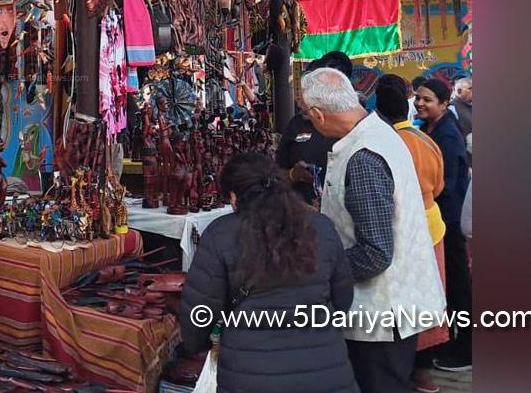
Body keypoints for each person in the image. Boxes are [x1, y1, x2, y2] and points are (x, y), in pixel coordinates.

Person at [301, 68, 445, 392]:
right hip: (387, 307)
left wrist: (314, 270)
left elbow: (376, 252)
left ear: (317, 114)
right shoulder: (375, 133)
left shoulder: (364, 156)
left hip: (382, 310)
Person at [179, 153, 357, 392]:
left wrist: (197, 345)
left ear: (234, 196)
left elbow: (199, 314)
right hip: (327, 372)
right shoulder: (321, 227)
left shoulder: (220, 234)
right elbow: (343, 300)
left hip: (249, 375)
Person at [375, 75, 449, 393]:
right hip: (432, 226)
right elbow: (441, 185)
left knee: (402, 302)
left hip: (403, 229)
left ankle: (407, 372)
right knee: (429, 299)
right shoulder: (426, 141)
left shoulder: (381, 144)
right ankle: (423, 373)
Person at [414, 79, 473, 372]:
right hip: (439, 218)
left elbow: (445, 184)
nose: (420, 103)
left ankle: (468, 349)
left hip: (448, 218)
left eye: (427, 100)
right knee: (447, 284)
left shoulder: (448, 135)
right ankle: (451, 341)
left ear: (443, 103)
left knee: (458, 285)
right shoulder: (429, 129)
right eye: (417, 98)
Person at [279, 51, 353, 205]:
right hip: (303, 217)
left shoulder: (355, 127)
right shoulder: (297, 124)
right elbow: (276, 174)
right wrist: (293, 175)